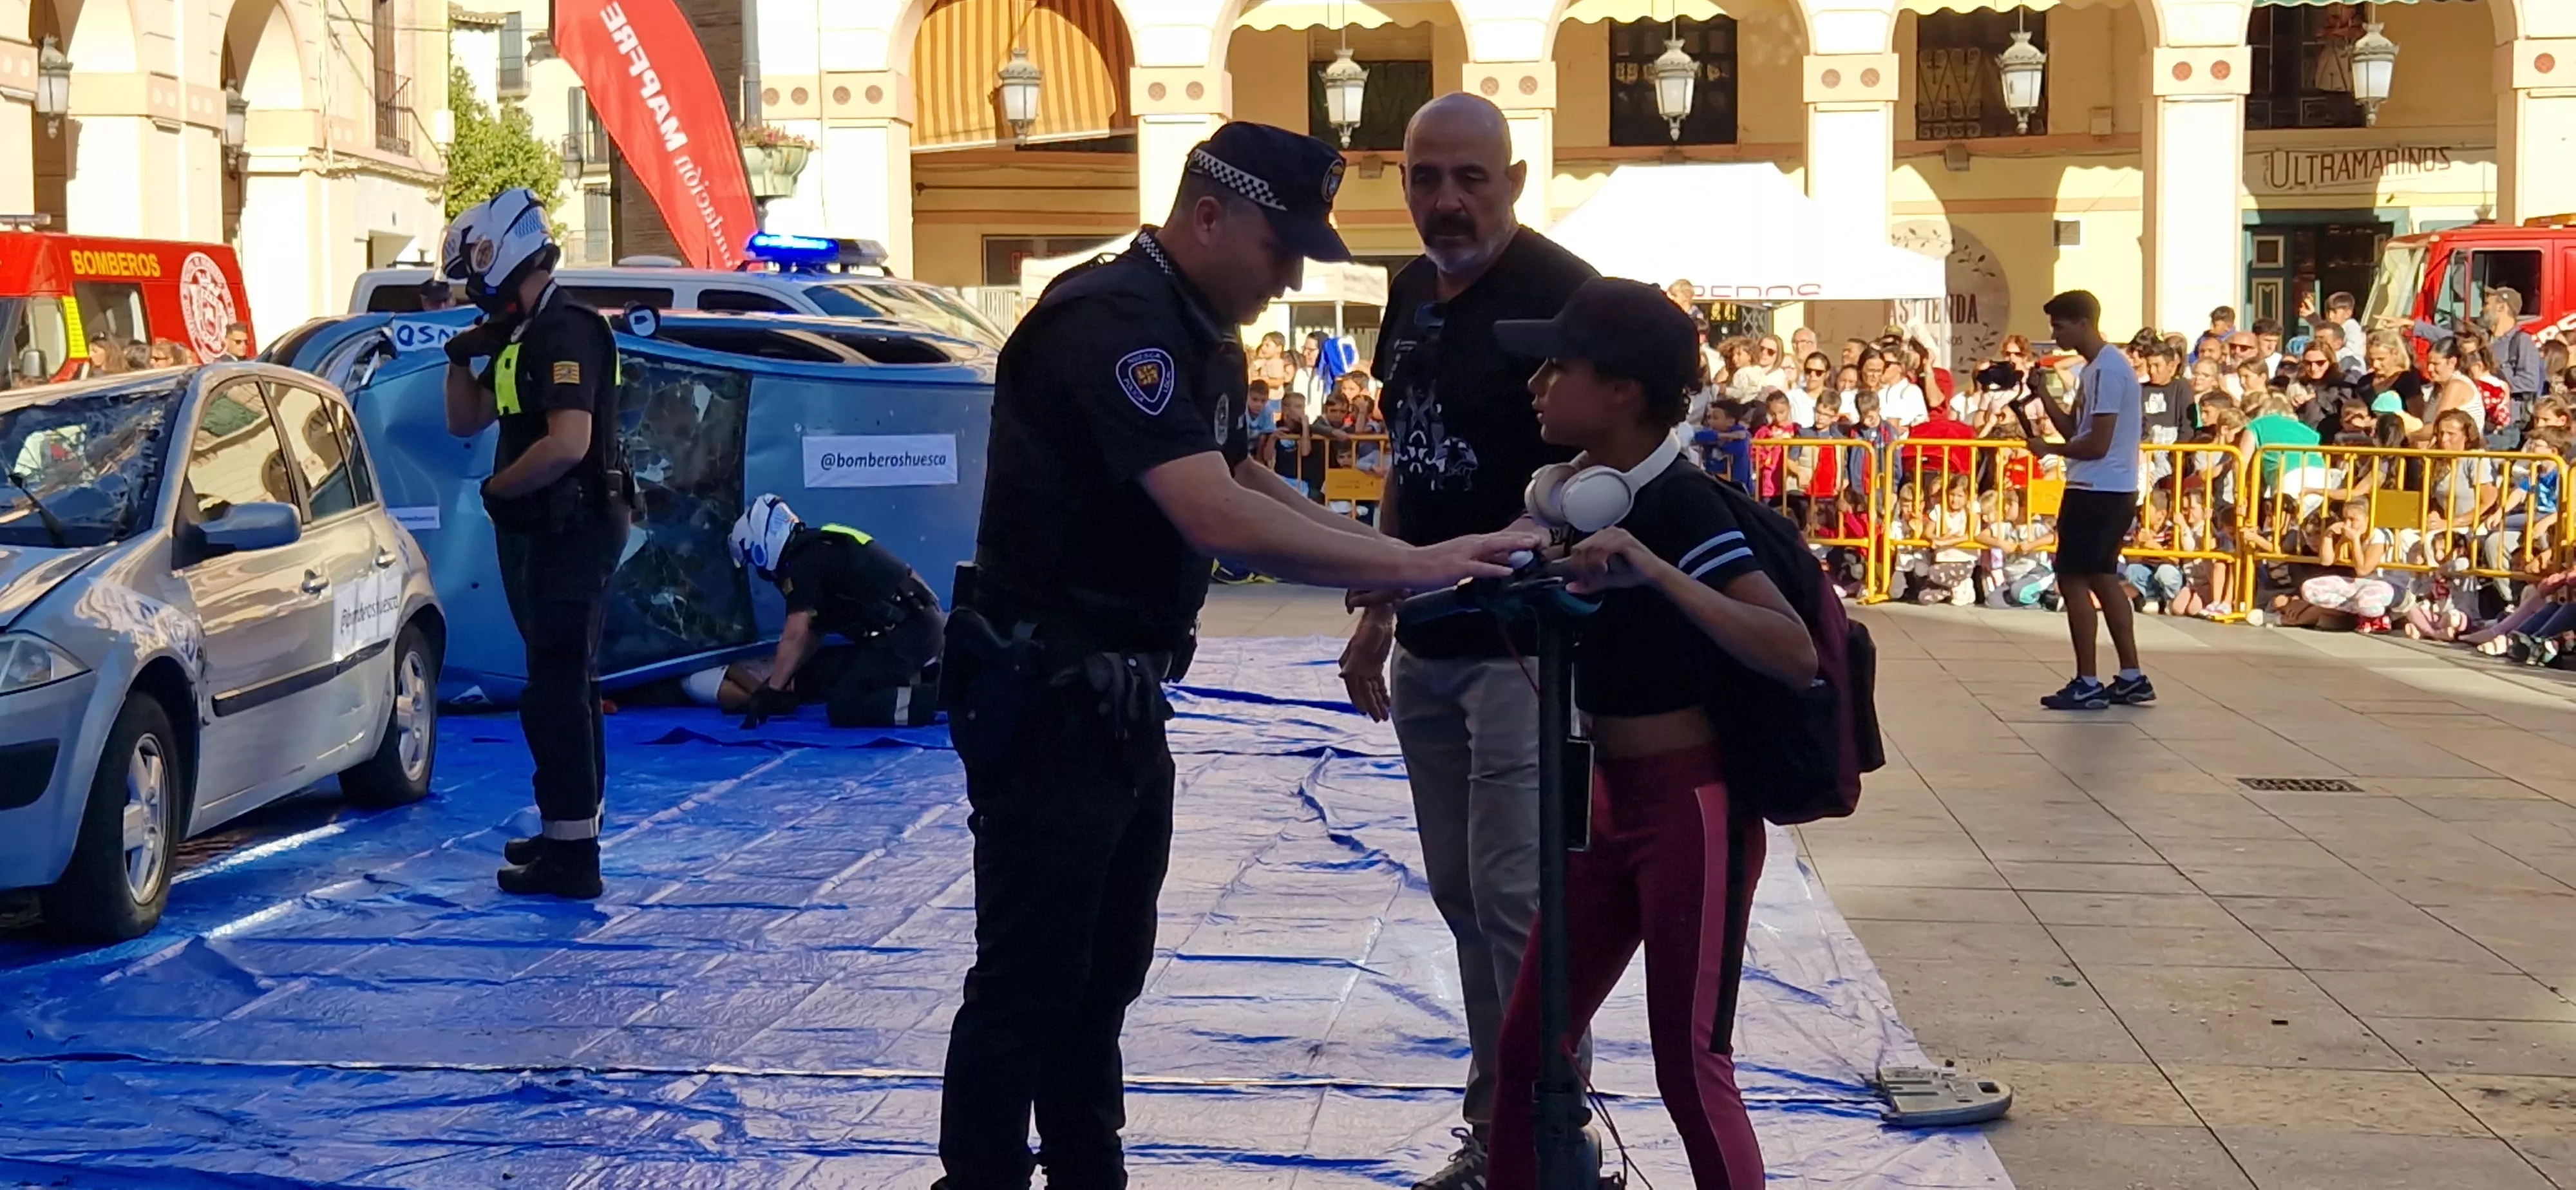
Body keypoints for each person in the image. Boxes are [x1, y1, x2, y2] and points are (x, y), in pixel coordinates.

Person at [936, 120, 1540, 1190]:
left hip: (1114, 694)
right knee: (1032, 974)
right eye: (1281, 246)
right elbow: (1214, 513)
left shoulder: (1191, 324)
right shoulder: (1115, 322)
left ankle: (1088, 1168)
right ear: (1209, 214)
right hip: (1048, 689)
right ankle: (980, 1175)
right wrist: (1413, 565)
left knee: (1104, 969)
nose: (1291, 276)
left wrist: (1406, 554)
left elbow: (1242, 472)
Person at [1481, 277, 1812, 1190]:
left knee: (1690, 1067)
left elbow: (1792, 651)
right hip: (1602, 802)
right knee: (1525, 1048)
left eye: (1560, 366)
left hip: (1691, 808)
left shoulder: (1678, 507)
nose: (1537, 385)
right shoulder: (1578, 494)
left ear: (1622, 391)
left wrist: (1654, 572)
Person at [1333, 93, 1599, 1190]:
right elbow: (1415, 453)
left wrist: (1539, 542)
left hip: (1524, 649)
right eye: (1425, 177)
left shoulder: (1566, 294)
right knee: (1458, 891)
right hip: (1431, 637)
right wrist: (1377, 604)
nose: (1446, 200)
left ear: (1515, 179)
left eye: (1470, 178)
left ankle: (1548, 1132)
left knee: (1518, 897)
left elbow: (1614, 466)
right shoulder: (1406, 291)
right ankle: (1504, 1128)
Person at [438, 187, 630, 897]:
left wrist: (496, 491)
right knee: (564, 684)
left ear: (501, 256)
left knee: (555, 690)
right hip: (544, 530)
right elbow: (466, 421)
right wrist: (463, 359)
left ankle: (573, 856)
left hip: (572, 525)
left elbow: (567, 444)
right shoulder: (524, 337)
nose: (473, 294)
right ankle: (567, 831)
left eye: (474, 277)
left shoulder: (566, 331)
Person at [2018, 290, 2154, 709]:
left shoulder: (2109, 371)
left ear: (2082, 323)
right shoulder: (2096, 369)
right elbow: (2077, 428)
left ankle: (2088, 679)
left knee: (2074, 578)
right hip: (2108, 487)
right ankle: (2131, 674)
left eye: (2060, 325)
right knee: (2102, 576)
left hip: (2097, 488)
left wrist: (2051, 452)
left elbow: (2095, 443)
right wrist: (2043, 395)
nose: (2055, 333)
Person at [726, 494, 947, 730]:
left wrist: (772, 691)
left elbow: (796, 633)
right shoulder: (816, 549)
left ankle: (937, 700)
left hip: (909, 632)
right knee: (820, 675)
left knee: (846, 706)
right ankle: (927, 679)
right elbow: (811, 635)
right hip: (915, 625)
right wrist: (776, 685)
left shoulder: (804, 563)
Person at [2419, 286, 2543, 448]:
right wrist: (2416, 327)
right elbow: (2452, 338)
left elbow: (2530, 382)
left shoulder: (2522, 341)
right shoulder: (2483, 338)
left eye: (2486, 304)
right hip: (2478, 420)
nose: (2482, 309)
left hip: (2503, 427)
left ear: (2502, 307)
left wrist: (2492, 379)